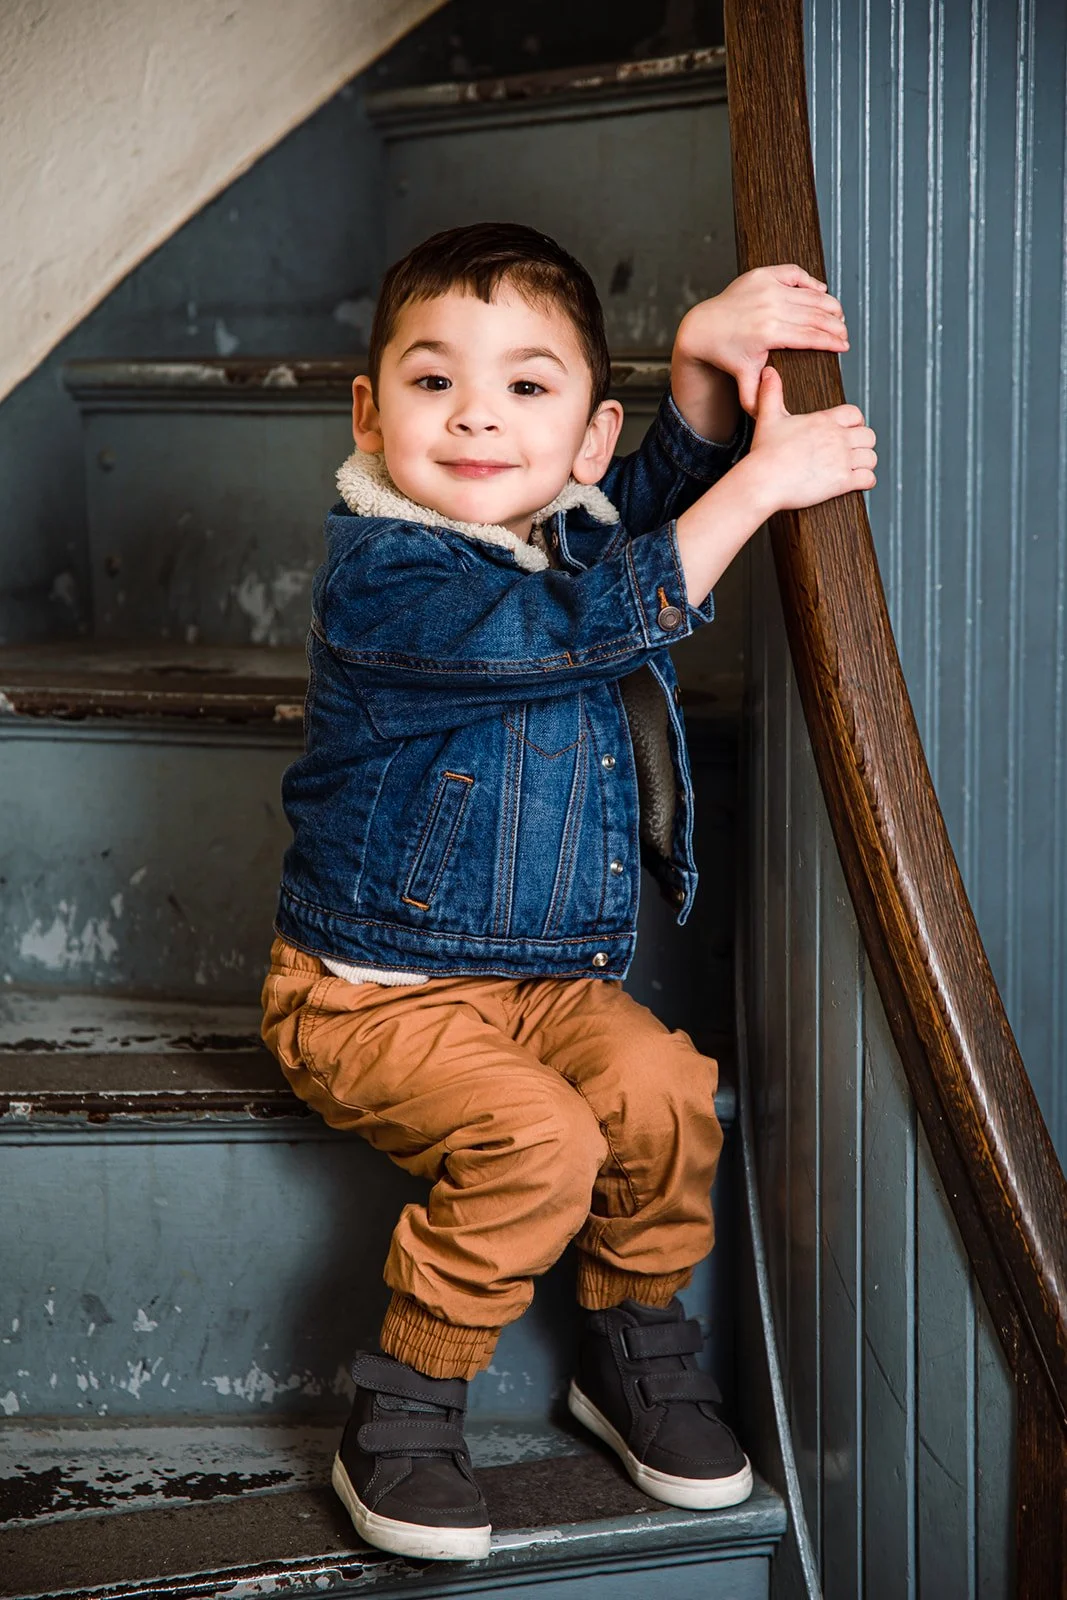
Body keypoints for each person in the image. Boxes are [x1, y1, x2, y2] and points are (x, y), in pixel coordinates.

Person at [260, 222, 875, 1563]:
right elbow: (577, 623)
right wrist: (758, 489)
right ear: (369, 412)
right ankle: (406, 1402)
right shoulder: (389, 576)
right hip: (371, 995)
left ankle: (627, 1342)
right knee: (539, 1139)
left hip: (536, 983)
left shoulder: (564, 518)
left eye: (526, 388)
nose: (478, 413)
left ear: (584, 440)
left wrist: (707, 387)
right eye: (433, 383)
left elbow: (631, 518)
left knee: (661, 1091)